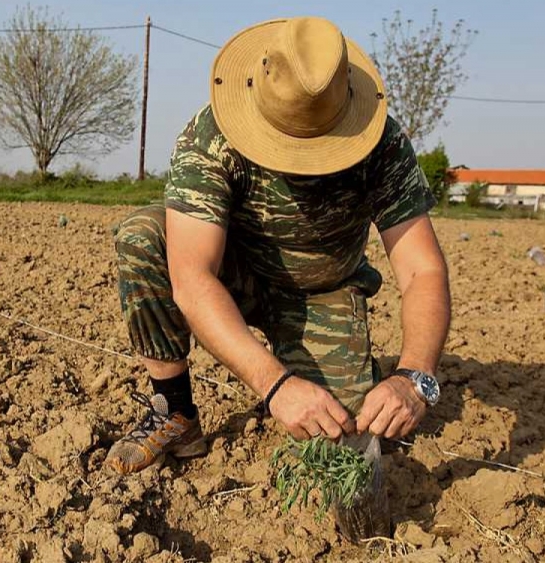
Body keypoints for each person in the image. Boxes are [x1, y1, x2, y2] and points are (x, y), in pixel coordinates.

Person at [106, 16, 450, 474]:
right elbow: (192, 277)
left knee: (340, 440)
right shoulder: (209, 137)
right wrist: (276, 385)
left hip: (324, 290)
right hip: (236, 279)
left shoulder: (383, 144)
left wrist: (413, 378)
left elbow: (421, 268)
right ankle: (176, 412)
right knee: (143, 236)